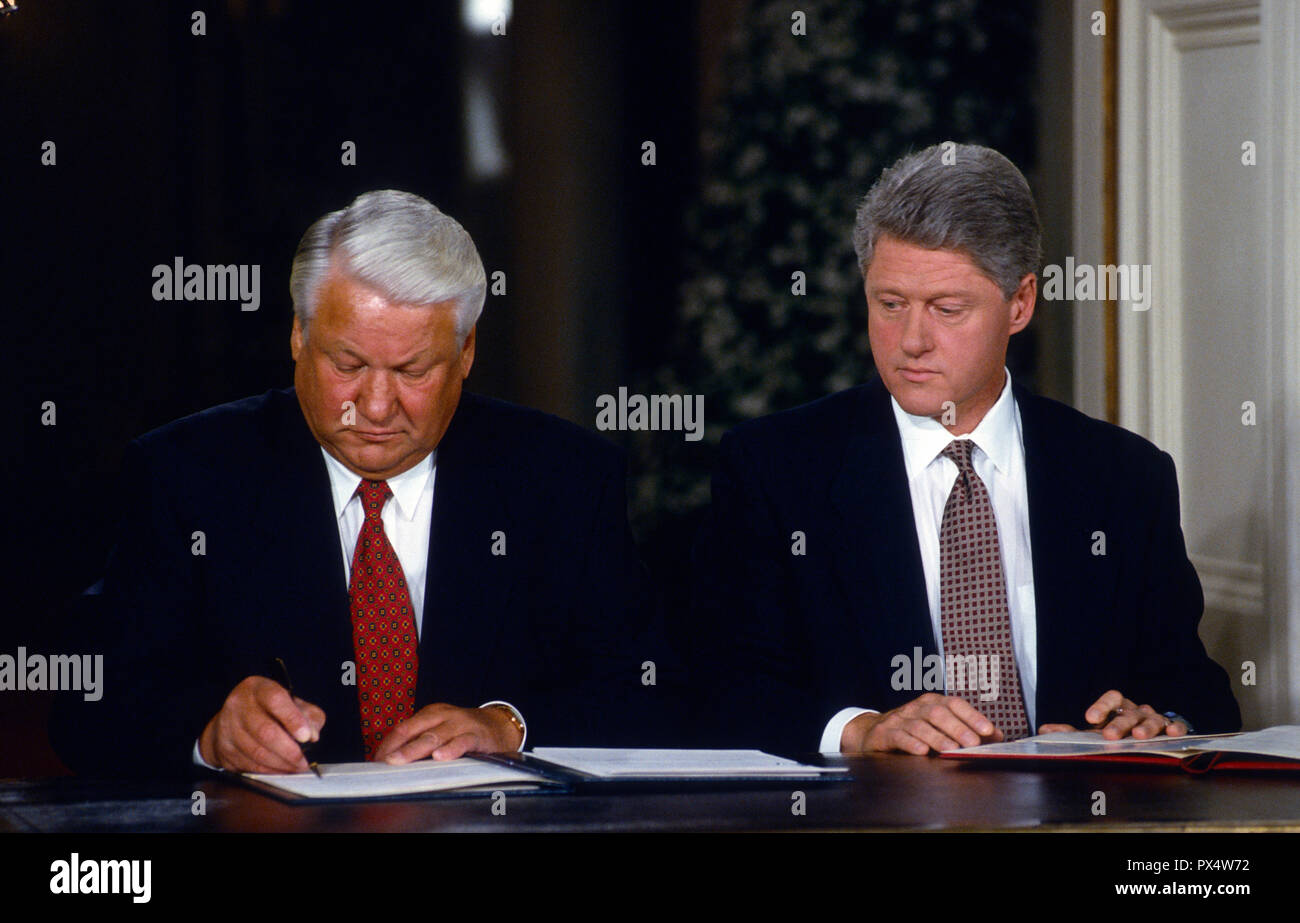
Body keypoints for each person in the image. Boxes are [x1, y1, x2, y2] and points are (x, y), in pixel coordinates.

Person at [51, 190, 655, 777]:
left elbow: (653, 691)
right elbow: (89, 701)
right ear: (298, 336)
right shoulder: (186, 475)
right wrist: (209, 733)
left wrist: (509, 726)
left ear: (466, 351)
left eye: (411, 370)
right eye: (348, 365)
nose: (374, 404)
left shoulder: (565, 479)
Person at [692, 144, 1240, 757]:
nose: (911, 341)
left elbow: (1198, 692)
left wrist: (1158, 721)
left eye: (947, 309)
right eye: (889, 304)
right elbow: (722, 688)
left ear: (1020, 304)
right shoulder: (775, 468)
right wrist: (859, 729)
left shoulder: (1123, 476)